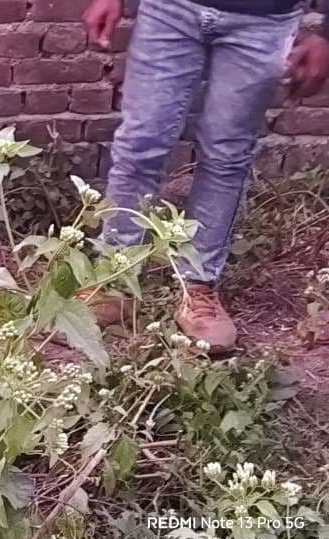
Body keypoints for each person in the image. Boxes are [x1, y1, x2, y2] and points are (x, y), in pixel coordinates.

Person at [82, 0, 329, 350]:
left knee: (227, 155)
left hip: (263, 21)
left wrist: (325, 34)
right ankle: (113, 276)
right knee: (140, 145)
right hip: (170, 9)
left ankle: (197, 287)